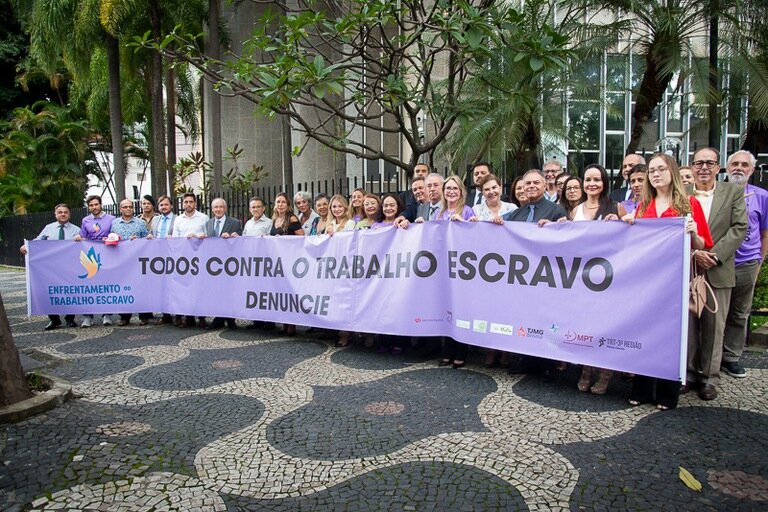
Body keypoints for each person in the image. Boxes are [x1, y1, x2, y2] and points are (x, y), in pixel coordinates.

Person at [625, 153, 713, 410]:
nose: (655, 174)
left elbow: (703, 244)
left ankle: (666, 392)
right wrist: (629, 224)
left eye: (661, 169)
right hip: (646, 280)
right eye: (652, 170)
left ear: (671, 171)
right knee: (643, 332)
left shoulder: (688, 203)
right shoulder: (643, 206)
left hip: (674, 280)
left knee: (670, 336)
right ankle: (641, 388)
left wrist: (693, 231)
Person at [687, 147, 747, 401]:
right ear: (691, 166)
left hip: (719, 267)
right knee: (689, 326)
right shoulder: (684, 194)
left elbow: (739, 227)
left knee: (714, 326)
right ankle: (687, 374)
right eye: (699, 163)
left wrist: (714, 255)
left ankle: (709, 378)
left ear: (718, 166)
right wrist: (694, 255)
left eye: (709, 163)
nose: (703, 168)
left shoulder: (732, 192)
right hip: (689, 268)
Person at [569, 165, 619, 394]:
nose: (592, 184)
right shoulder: (575, 210)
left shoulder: (613, 207)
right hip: (581, 278)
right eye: (588, 179)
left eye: (597, 179)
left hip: (605, 277)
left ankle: (605, 372)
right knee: (584, 326)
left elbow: (633, 231)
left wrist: (621, 221)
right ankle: (586, 370)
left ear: (604, 182)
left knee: (604, 326)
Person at [721, 150, 768, 378]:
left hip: (746, 262)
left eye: (744, 165)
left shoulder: (762, 196)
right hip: (719, 262)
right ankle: (709, 357)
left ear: (752, 169)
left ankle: (731, 357)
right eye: (734, 164)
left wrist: (759, 261)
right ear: (727, 168)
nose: (739, 168)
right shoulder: (718, 193)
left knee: (739, 313)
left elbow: (765, 232)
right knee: (715, 312)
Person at [20, 203, 79, 330]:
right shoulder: (48, 228)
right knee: (50, 292)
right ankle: (54, 319)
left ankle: (70, 319)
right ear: (55, 214)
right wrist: (27, 246)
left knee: (70, 292)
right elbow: (38, 240)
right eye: (60, 212)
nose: (63, 214)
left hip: (69, 267)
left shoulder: (76, 230)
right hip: (51, 268)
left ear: (69, 214)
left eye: (65, 212)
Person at [74, 195, 116, 327]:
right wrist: (78, 238)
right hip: (91, 257)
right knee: (89, 286)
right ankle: (87, 316)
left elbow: (116, 235)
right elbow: (83, 237)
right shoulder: (85, 220)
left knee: (106, 286)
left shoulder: (111, 219)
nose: (94, 207)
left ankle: (107, 315)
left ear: (101, 205)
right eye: (91, 205)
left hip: (108, 255)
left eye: (96, 204)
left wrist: (109, 238)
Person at [111, 199, 151, 326]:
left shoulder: (141, 223)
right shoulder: (115, 224)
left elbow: (148, 240)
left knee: (142, 287)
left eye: (130, 207)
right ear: (120, 209)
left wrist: (139, 240)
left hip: (138, 260)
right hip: (121, 261)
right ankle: (124, 316)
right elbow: (111, 239)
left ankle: (144, 315)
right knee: (124, 288)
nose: (128, 209)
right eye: (125, 207)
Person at [171, 193, 209, 328]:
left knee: (199, 288)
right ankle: (189, 317)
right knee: (186, 288)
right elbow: (175, 239)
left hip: (199, 258)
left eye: (191, 202)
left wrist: (198, 236)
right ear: (182, 204)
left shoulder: (204, 218)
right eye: (186, 202)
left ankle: (202, 317)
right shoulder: (178, 220)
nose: (188, 204)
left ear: (195, 203)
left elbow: (208, 236)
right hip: (184, 259)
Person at [204, 198, 243, 329]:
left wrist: (233, 237)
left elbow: (241, 241)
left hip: (229, 263)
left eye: (221, 207)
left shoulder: (235, 222)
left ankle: (228, 319)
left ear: (225, 209)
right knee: (217, 291)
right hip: (213, 264)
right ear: (212, 209)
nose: (218, 209)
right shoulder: (208, 223)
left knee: (229, 291)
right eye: (216, 207)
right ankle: (221, 317)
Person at [270, 193, 304, 336]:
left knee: (290, 292)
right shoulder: (274, 220)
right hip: (278, 261)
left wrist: (284, 239)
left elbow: (302, 237)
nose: (280, 204)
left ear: (288, 204)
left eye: (283, 202)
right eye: (278, 202)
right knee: (280, 292)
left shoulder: (292, 218)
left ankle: (292, 324)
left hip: (290, 260)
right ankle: (284, 323)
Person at [149, 195, 176, 325]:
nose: (164, 207)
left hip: (174, 256)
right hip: (159, 257)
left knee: (175, 285)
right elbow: (153, 234)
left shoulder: (178, 219)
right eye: (161, 205)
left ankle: (178, 314)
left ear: (171, 206)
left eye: (166, 204)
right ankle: (166, 315)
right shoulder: (155, 220)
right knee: (162, 286)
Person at [503, 170, 568, 223]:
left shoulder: (557, 211)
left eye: (536, 183)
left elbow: (564, 234)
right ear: (524, 187)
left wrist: (552, 226)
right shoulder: (516, 214)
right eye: (528, 183)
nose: (531, 186)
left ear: (545, 186)